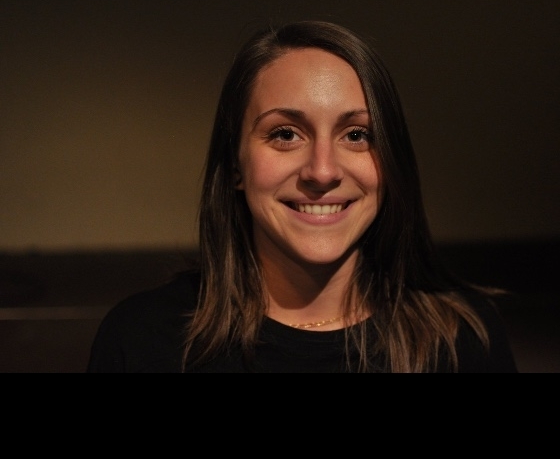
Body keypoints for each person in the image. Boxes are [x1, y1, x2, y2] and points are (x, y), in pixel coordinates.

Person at [87, 20, 518, 373]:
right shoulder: (142, 340)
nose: (322, 171)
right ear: (235, 165)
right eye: (285, 134)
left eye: (356, 135)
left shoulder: (462, 340)